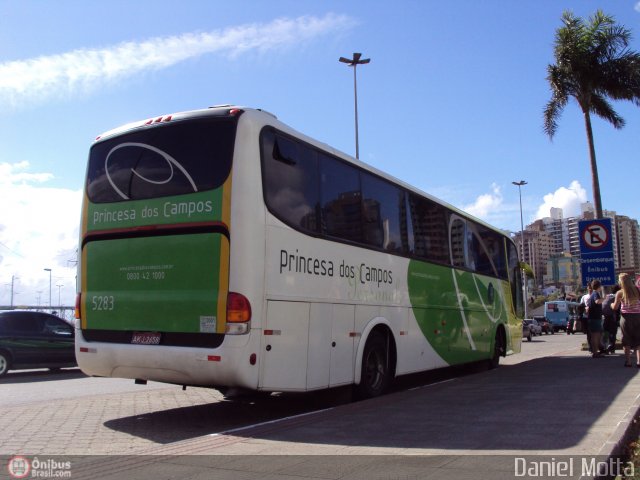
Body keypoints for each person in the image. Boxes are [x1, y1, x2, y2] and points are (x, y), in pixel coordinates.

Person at [612, 273, 640, 367]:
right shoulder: (637, 290)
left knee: (626, 339)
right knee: (638, 339)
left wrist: (611, 305)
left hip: (625, 317)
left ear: (621, 282)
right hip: (637, 316)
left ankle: (628, 362)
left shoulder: (620, 292)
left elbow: (615, 307)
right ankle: (639, 361)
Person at [587, 280, 605, 358]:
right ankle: (595, 352)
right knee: (595, 335)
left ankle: (595, 351)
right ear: (599, 286)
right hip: (595, 318)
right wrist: (604, 299)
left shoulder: (592, 294)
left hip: (593, 318)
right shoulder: (595, 294)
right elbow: (597, 301)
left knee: (595, 335)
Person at [602, 285, 621, 354]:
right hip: (612, 317)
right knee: (613, 333)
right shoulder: (617, 296)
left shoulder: (607, 296)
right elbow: (618, 308)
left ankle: (605, 347)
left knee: (606, 332)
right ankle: (611, 348)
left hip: (605, 316)